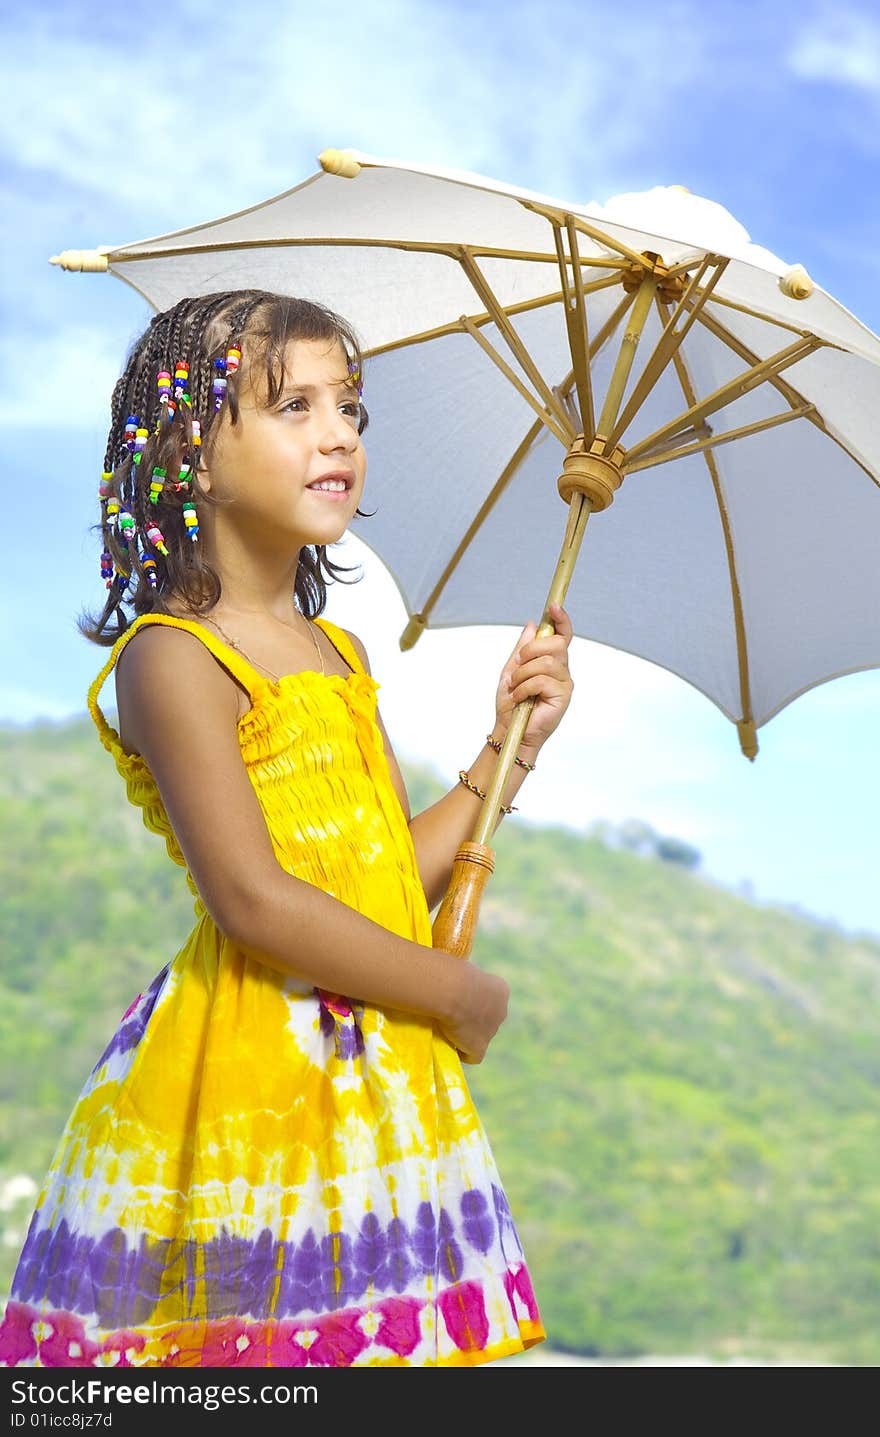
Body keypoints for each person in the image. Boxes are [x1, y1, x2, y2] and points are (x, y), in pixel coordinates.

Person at [0, 289, 574, 1369]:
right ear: (193, 457)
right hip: (249, 1082)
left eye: (350, 408)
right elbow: (255, 901)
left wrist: (509, 748)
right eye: (293, 405)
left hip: (373, 1083)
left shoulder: (341, 654)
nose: (338, 433)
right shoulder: (173, 656)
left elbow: (380, 878)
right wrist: (450, 988)